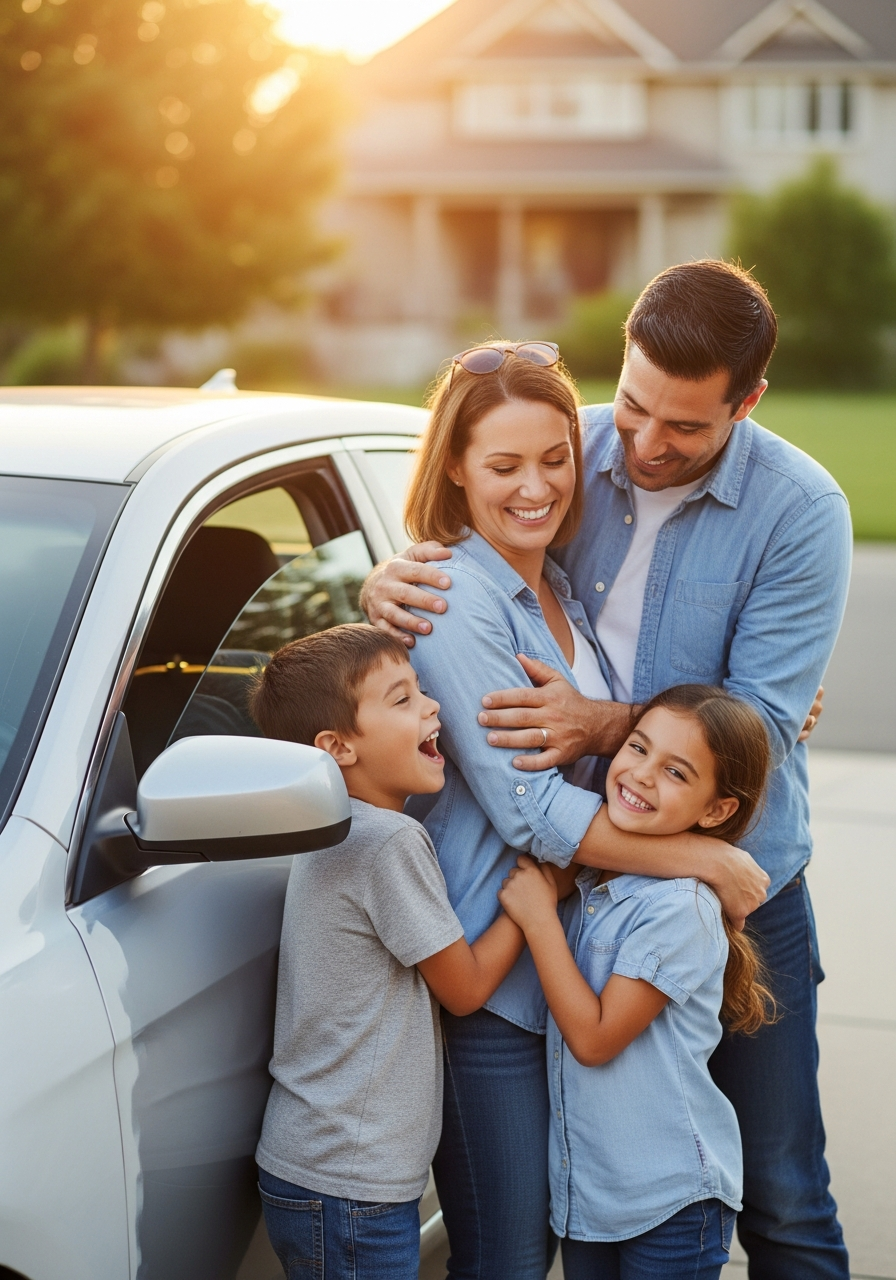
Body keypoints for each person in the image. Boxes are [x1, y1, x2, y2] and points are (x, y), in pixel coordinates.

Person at [363, 260, 852, 1278]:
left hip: (736, 884)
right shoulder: (563, 444)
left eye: (683, 427)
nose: (639, 443)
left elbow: (755, 722)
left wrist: (602, 725)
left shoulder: (800, 509)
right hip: (577, 904)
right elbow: (465, 547)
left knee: (780, 1191)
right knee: (596, 1205)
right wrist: (388, 575)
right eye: (630, 405)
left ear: (745, 401)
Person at [250, 624, 528, 1280]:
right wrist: (531, 903)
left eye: (424, 690)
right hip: (351, 1187)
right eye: (402, 700)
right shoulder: (386, 843)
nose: (433, 707)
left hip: (325, 1172)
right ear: (337, 746)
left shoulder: (337, 831)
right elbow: (462, 987)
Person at [499, 684, 777, 1280]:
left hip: (669, 1199)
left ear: (716, 810)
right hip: (593, 1197)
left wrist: (540, 919)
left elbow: (595, 1040)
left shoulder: (680, 907)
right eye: (636, 747)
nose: (642, 775)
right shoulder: (596, 879)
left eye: (676, 772)